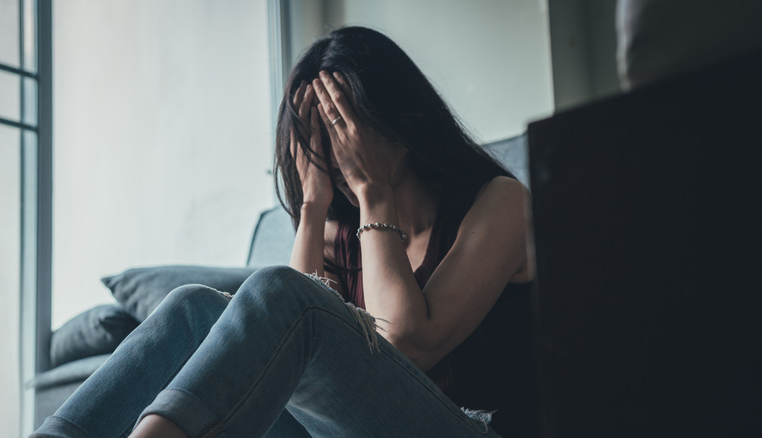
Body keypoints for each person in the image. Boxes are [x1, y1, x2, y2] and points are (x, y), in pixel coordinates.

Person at [32, 26, 535, 438]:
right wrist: (313, 210)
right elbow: (294, 351)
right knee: (191, 309)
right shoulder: (342, 231)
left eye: (338, 125)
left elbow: (406, 344)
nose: (330, 150)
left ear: (398, 117)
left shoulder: (500, 202)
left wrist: (373, 193)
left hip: (467, 428)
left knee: (279, 290)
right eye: (313, 135)